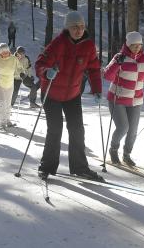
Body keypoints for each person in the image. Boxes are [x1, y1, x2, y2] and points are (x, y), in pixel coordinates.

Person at [35, 11, 103, 181]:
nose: (78, 30)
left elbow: (94, 68)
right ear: (68, 28)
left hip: (72, 94)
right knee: (55, 130)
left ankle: (80, 168)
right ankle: (47, 167)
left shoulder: (88, 46)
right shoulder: (58, 44)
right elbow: (40, 64)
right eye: (74, 27)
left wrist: (97, 89)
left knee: (77, 130)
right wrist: (46, 72)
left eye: (81, 27)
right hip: (51, 93)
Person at [104, 31, 144, 166]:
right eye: (134, 45)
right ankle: (114, 150)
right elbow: (107, 76)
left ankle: (126, 155)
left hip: (136, 100)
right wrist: (116, 64)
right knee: (123, 127)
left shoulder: (143, 58)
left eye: (139, 45)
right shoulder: (120, 57)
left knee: (133, 130)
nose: (137, 48)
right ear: (127, 44)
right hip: (117, 98)